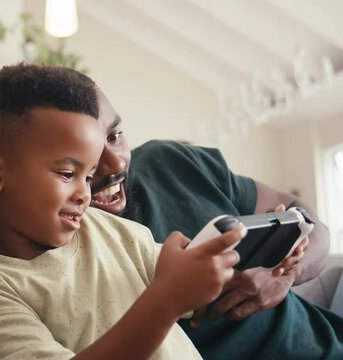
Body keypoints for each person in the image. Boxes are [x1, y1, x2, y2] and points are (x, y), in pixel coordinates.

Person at [0, 63, 245, 359]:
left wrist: (259, 262)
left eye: (88, 177)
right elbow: (170, 294)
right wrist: (165, 302)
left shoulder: (111, 231)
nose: (84, 193)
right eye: (67, 173)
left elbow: (190, 285)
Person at [90, 90, 343, 359]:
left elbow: (312, 224)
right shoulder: (59, 264)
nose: (115, 163)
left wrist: (284, 276)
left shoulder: (169, 161)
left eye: (114, 136)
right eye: (89, 149)